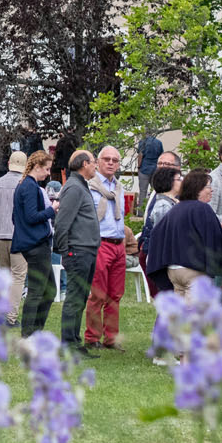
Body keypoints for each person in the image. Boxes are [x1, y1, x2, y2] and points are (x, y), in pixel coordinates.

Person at [141, 170, 222, 295]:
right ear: (198, 188)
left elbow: (156, 234)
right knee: (193, 313)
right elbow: (215, 238)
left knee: (178, 311)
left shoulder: (176, 208)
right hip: (193, 271)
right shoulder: (202, 209)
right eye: (208, 186)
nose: (211, 190)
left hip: (174, 271)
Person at [83, 146, 132, 352]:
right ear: (98, 162)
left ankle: (111, 338)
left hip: (118, 243)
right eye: (107, 159)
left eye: (115, 160)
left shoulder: (119, 188)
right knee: (97, 294)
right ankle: (92, 337)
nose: (111, 163)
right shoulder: (90, 187)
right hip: (100, 243)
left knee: (115, 294)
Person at [52, 148, 100, 352]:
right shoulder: (73, 187)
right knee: (74, 297)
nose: (96, 165)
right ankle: (68, 343)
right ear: (84, 164)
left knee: (80, 296)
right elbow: (62, 222)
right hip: (77, 250)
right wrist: (64, 250)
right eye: (93, 161)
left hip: (86, 249)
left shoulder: (81, 186)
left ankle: (74, 340)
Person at [13, 148, 57, 336]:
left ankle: (34, 332)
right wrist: (52, 210)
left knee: (49, 290)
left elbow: (17, 218)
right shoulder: (29, 186)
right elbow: (31, 216)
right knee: (37, 291)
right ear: (37, 167)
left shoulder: (23, 184)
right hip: (36, 244)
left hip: (32, 243)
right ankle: (28, 334)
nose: (48, 173)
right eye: (46, 169)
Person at [0, 150, 26, 272]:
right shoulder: (27, 185)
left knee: (3, 275)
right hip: (19, 236)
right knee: (19, 276)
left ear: (9, 163)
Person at [141, 165, 180, 233]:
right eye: (179, 179)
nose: (182, 182)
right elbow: (162, 234)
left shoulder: (171, 202)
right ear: (169, 182)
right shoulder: (163, 206)